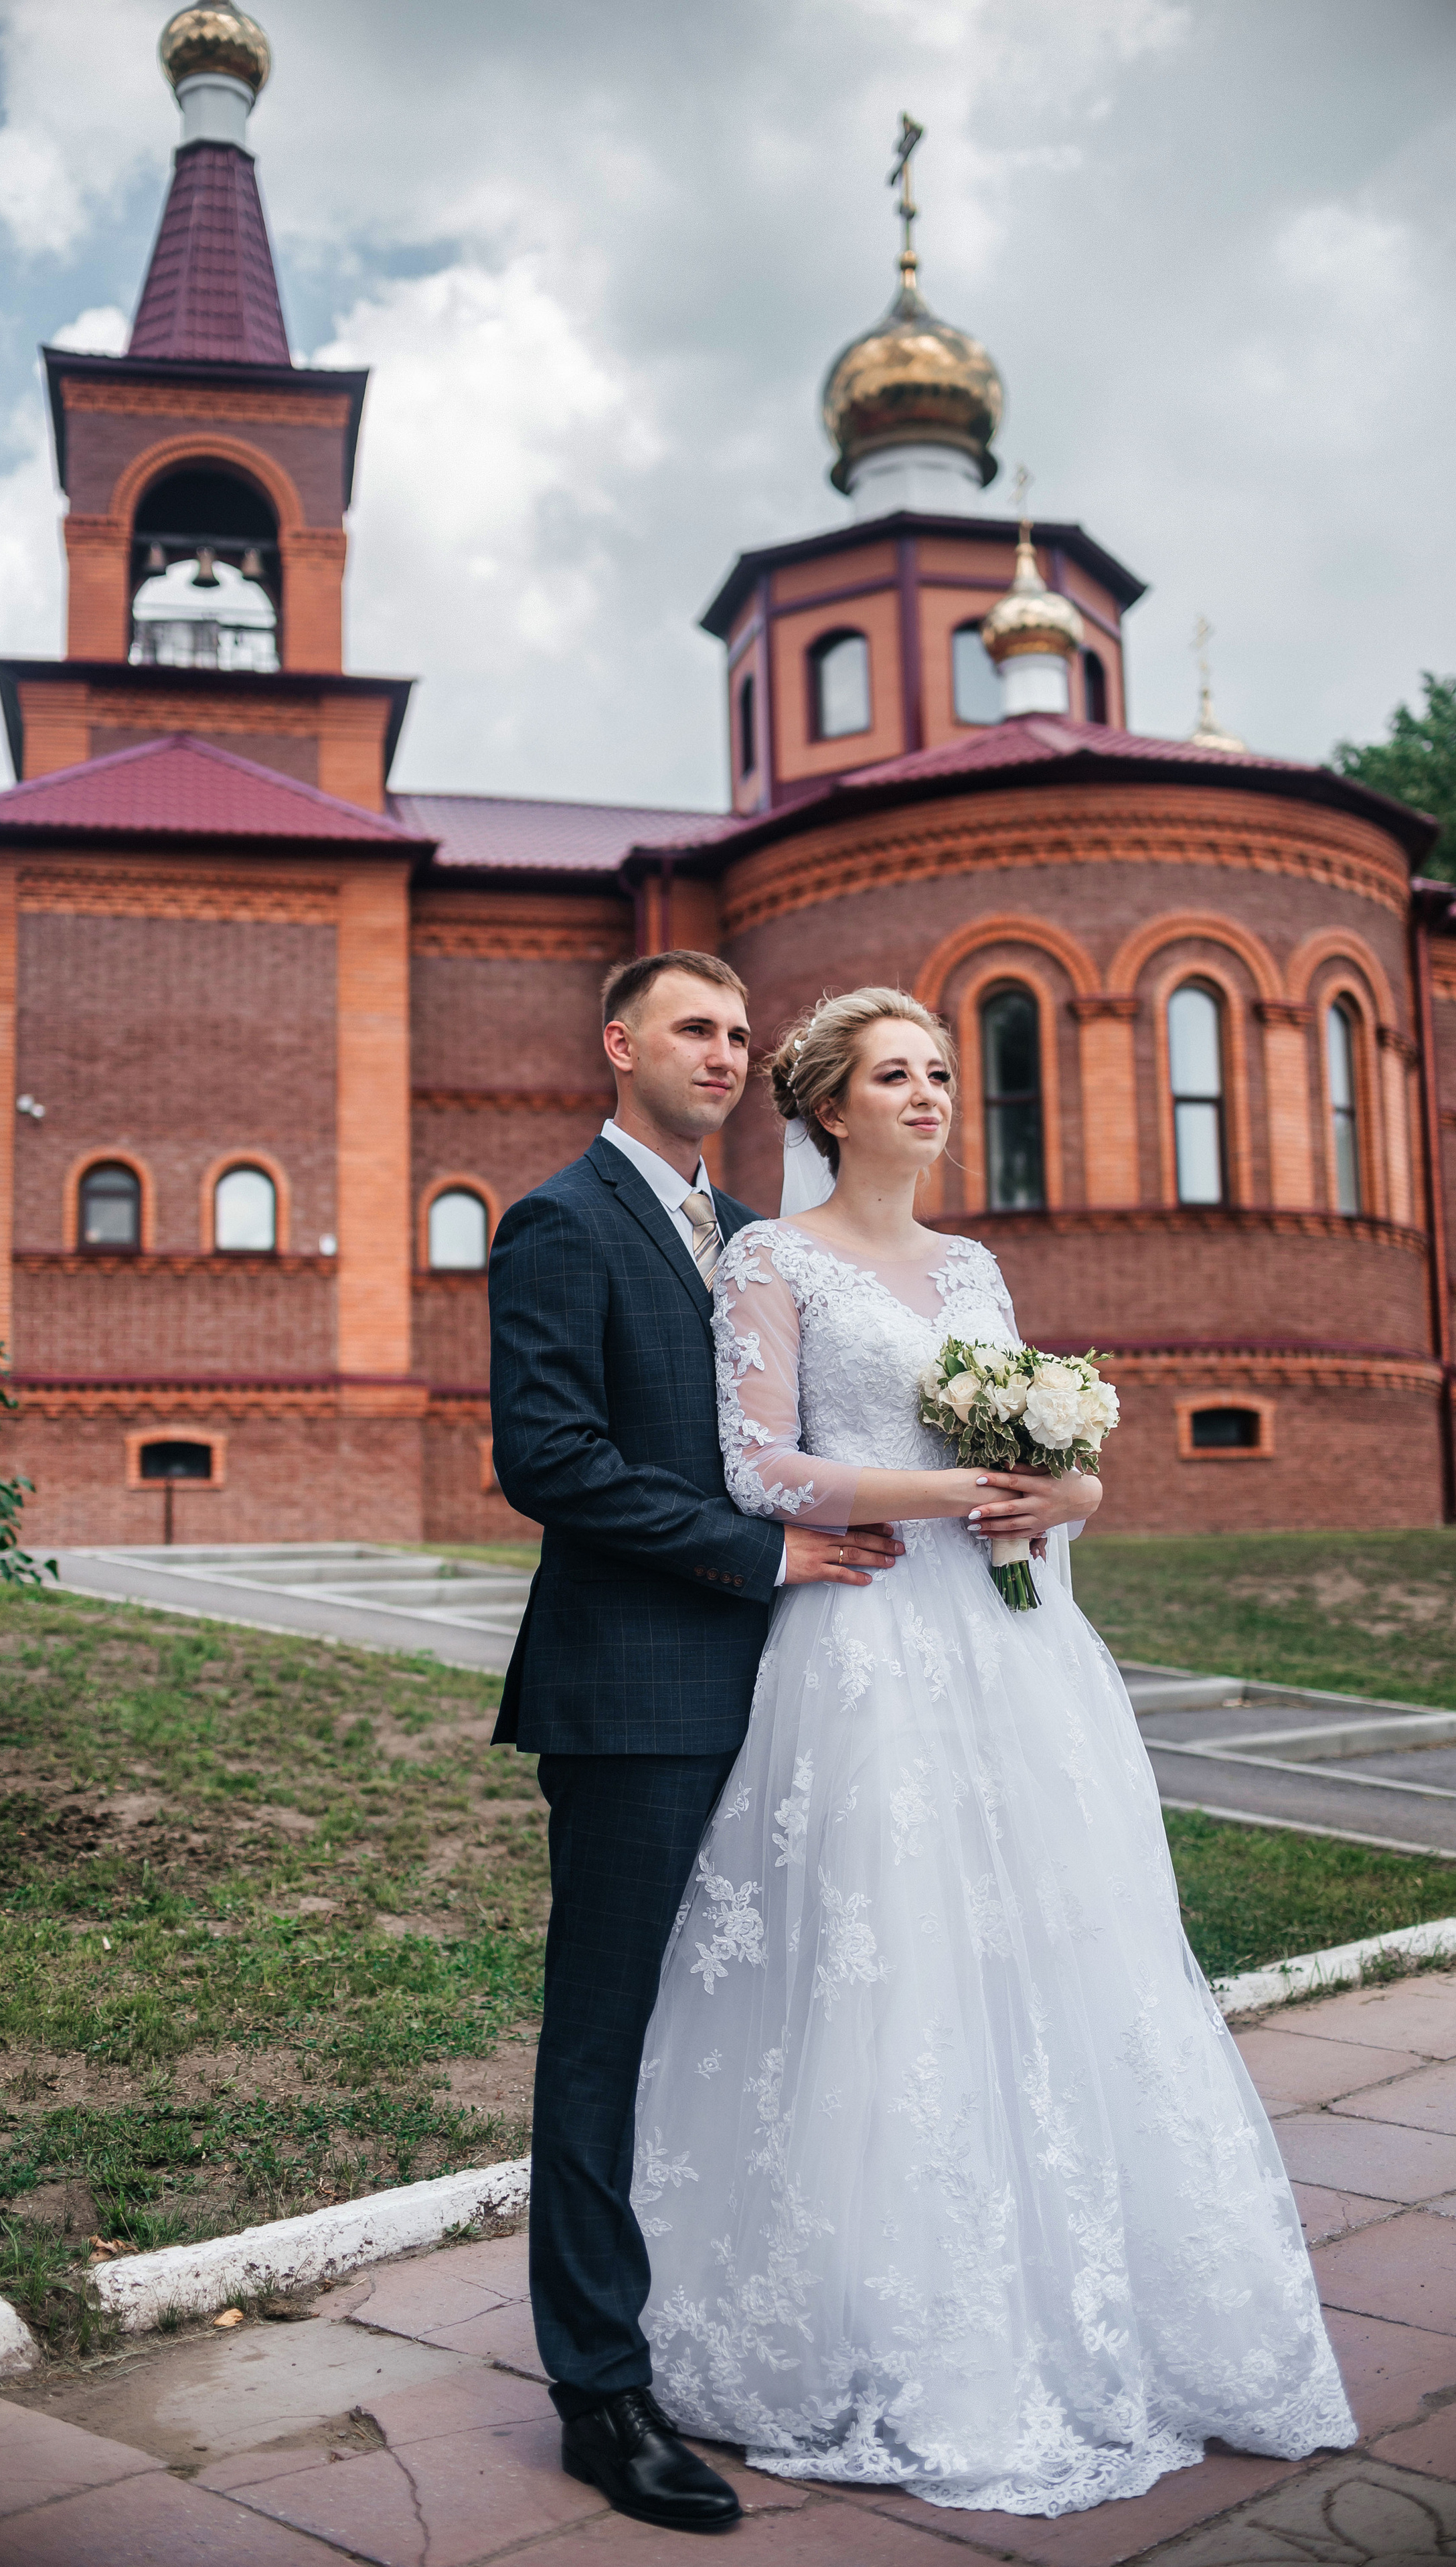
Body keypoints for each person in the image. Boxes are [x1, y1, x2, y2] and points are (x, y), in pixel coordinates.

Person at [631, 985, 1356, 2519]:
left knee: (1056, 1956)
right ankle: (898, 2330)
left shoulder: (972, 1266)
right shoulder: (772, 1259)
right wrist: (946, 1492)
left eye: (942, 1072)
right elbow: (754, 1462)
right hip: (871, 1644)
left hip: (1018, 1658)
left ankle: (1096, 2310)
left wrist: (1063, 1497)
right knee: (891, 1964)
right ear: (828, 1106)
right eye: (895, 1074)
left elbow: (1063, 1462)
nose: (930, 1094)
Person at [488, 951, 907, 2536]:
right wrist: (760, 1555)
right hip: (636, 1698)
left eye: (740, 1034)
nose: (724, 1054)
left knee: (765, 2020)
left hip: (804, 1689)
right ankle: (599, 2390)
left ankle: (736, 2323)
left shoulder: (759, 1244)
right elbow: (552, 1460)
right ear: (618, 1046)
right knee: (603, 2034)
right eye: (693, 1030)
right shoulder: (558, 1224)